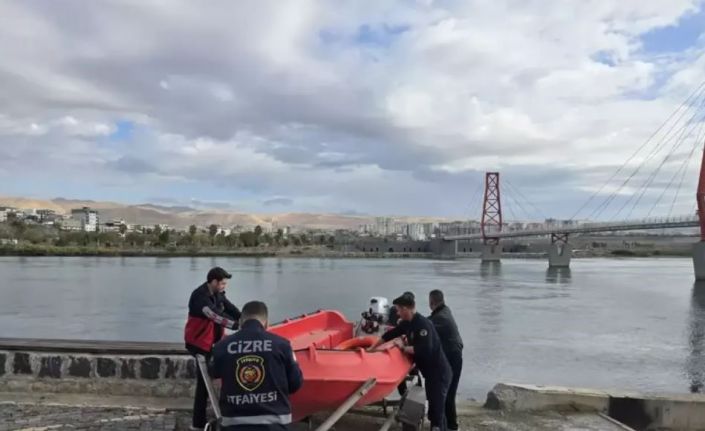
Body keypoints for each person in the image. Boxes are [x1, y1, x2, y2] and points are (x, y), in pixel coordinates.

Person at [212, 301, 303, 431]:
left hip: (234, 425)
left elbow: (213, 373)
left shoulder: (222, 347)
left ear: (241, 322)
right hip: (276, 425)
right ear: (266, 323)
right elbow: (295, 384)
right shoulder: (282, 345)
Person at [369, 293, 451, 431]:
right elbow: (390, 334)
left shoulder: (423, 325)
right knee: (434, 410)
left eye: (399, 310)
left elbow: (425, 349)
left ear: (406, 309)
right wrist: (372, 348)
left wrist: (404, 347)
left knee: (437, 412)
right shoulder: (408, 323)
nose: (397, 313)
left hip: (439, 373)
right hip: (430, 374)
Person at [184, 267, 242, 431]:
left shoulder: (218, 294)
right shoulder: (200, 297)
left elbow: (229, 307)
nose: (225, 286)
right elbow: (215, 315)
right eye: (223, 283)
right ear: (214, 282)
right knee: (203, 385)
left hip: (212, 343)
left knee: (218, 376)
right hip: (199, 345)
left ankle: (222, 413)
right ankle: (198, 424)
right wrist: (237, 325)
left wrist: (245, 317)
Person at [428, 290, 464, 431]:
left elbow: (426, 325)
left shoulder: (441, 318)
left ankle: (450, 426)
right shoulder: (445, 312)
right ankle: (448, 425)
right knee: (448, 393)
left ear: (432, 302)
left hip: (453, 358)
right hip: (454, 356)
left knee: (447, 393)